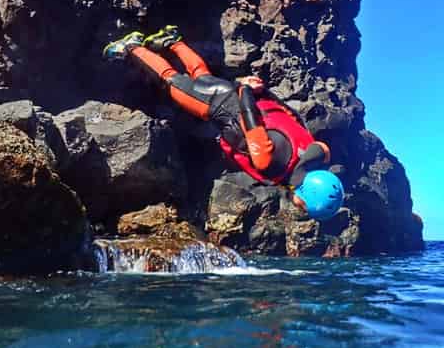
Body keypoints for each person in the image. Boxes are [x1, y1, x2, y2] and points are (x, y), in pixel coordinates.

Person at [102, 26, 345, 221]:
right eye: (305, 208)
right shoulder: (269, 162)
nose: (301, 210)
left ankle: (172, 40)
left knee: (202, 76)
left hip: (227, 97)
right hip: (219, 105)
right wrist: (244, 89)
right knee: (171, 81)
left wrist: (262, 91)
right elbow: (249, 118)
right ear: (307, 195)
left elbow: (287, 113)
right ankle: (131, 46)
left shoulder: (314, 150)